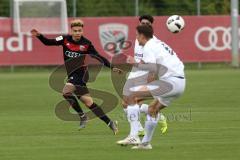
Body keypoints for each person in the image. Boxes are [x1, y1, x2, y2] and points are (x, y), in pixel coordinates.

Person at [31, 19, 122, 135]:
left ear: (82, 31)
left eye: (80, 30)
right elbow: (49, 42)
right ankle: (110, 123)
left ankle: (82, 116)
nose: (77, 33)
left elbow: (98, 56)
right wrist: (39, 36)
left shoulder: (87, 44)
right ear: (71, 31)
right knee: (89, 103)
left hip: (81, 74)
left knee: (66, 92)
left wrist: (111, 67)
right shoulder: (64, 39)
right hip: (72, 75)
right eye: (75, 31)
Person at [122, 25, 186, 149]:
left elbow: (152, 68)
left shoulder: (148, 46)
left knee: (130, 96)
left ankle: (133, 135)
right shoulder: (158, 43)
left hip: (170, 83)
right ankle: (145, 144)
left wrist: (133, 63)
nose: (136, 38)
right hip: (180, 84)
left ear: (141, 35)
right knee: (152, 109)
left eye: (137, 35)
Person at [117, 15, 167, 145]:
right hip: (136, 73)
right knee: (124, 103)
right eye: (143, 23)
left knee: (130, 100)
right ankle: (145, 124)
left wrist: (151, 82)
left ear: (151, 26)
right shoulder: (138, 38)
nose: (145, 25)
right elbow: (139, 60)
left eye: (148, 24)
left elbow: (152, 66)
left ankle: (135, 134)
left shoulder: (153, 43)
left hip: (145, 75)